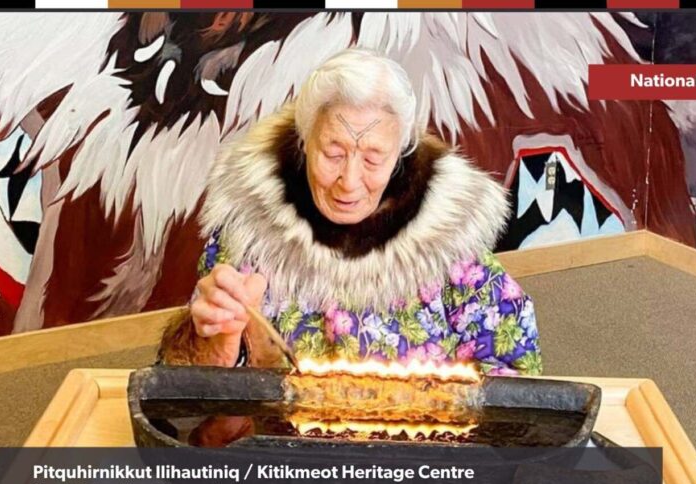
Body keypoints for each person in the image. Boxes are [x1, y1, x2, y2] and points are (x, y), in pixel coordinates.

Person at [158, 48, 542, 379]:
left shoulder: (451, 246)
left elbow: (515, 371)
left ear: (399, 156)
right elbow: (191, 399)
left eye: (374, 158)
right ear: (305, 141)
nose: (350, 181)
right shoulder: (247, 238)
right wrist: (216, 340)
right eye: (333, 154)